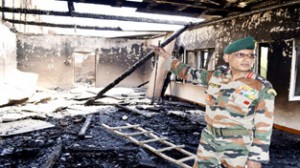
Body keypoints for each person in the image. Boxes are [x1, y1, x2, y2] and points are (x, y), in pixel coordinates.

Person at [152, 36, 277, 168]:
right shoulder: (216, 76)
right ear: (227, 57)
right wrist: (165, 56)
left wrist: (256, 157)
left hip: (238, 145)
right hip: (209, 139)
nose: (247, 59)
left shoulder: (261, 86)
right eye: (241, 55)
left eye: (251, 56)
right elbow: (187, 72)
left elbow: (264, 126)